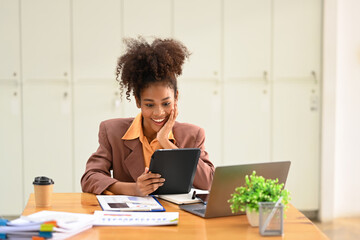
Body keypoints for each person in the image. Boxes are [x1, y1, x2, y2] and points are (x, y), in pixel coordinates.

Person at [81, 37, 214, 196]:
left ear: (176, 98)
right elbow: (90, 177)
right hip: (132, 217)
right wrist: (133, 189)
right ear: (138, 101)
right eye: (150, 105)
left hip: (178, 217)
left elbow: (209, 182)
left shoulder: (192, 135)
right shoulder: (112, 131)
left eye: (166, 103)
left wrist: (166, 143)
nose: (158, 113)